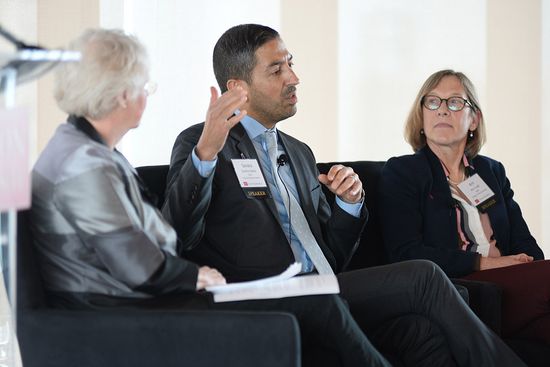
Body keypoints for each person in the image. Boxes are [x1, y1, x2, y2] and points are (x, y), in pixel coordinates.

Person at [30, 28, 421, 367]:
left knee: (408, 329)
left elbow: (140, 242)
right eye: (144, 87)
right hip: (120, 315)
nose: (147, 97)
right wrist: (194, 274)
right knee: (331, 305)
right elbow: (139, 262)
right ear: (119, 95)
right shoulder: (86, 164)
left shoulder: (91, 153)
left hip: (134, 302)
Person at [162, 24, 525, 366]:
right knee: (425, 277)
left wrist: (348, 206)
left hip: (324, 284)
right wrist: (205, 156)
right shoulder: (202, 143)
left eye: (291, 64)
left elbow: (331, 255)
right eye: (276, 70)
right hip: (263, 293)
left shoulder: (299, 153)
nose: (294, 78)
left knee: (421, 332)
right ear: (237, 87)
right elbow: (179, 233)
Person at [379, 69, 550, 345]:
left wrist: (530, 263)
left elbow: (523, 242)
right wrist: (486, 264)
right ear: (421, 116)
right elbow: (406, 253)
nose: (443, 111)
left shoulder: (490, 171)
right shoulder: (403, 172)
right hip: (459, 287)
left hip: (511, 283)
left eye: (455, 102)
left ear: (474, 120)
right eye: (433, 102)